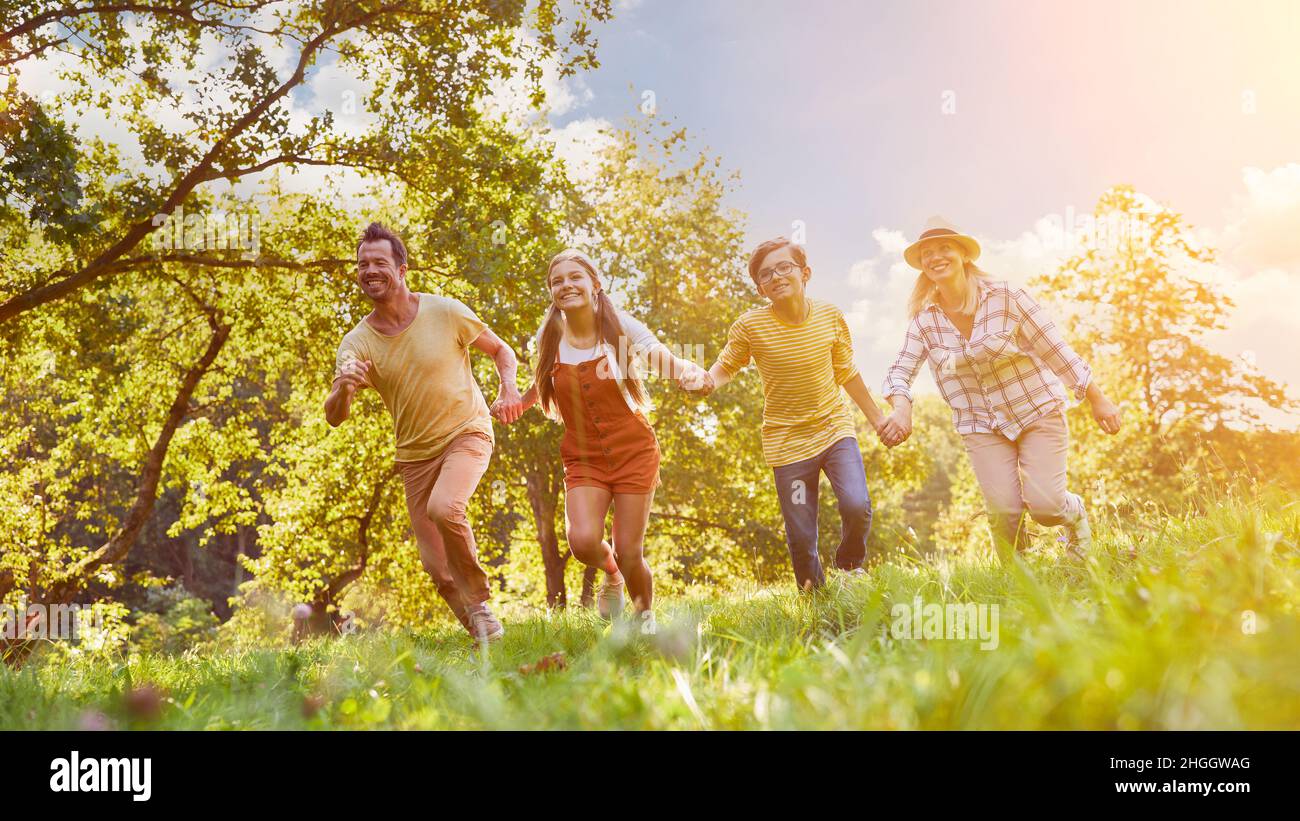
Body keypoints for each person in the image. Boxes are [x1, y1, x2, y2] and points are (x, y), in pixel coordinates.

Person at [324, 222, 524, 642]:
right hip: (414, 456)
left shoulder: (445, 310)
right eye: (362, 264)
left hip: (466, 431)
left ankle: (481, 605)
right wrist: (343, 388)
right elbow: (335, 416)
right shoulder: (356, 343)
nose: (369, 270)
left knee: (446, 507)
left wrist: (509, 390)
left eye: (379, 262)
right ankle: (486, 639)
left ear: (401, 269)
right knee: (436, 567)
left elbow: (501, 350)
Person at [879, 223, 1123, 559]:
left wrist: (1097, 398)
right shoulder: (925, 322)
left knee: (1046, 507)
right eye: (927, 254)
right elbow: (899, 371)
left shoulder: (1007, 297)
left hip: (1036, 410)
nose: (936, 257)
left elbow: (1054, 347)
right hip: (981, 425)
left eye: (944, 248)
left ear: (963, 254)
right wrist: (901, 409)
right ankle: (1019, 580)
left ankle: (1074, 514)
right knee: (1005, 514)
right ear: (922, 266)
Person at [503, 249, 704, 620]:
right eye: (557, 281)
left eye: (574, 277)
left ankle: (644, 617)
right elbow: (541, 380)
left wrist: (687, 374)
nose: (566, 285)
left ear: (595, 284)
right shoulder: (548, 334)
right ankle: (612, 577)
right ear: (551, 291)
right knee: (581, 542)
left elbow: (662, 357)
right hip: (583, 456)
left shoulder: (620, 326)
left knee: (629, 551)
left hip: (633, 450)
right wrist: (518, 402)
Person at [682, 237, 892, 590]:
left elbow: (847, 373)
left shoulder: (830, 316)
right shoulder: (751, 326)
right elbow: (726, 366)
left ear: (805, 273)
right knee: (800, 534)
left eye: (784, 267)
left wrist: (878, 420)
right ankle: (816, 602)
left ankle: (850, 567)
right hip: (789, 445)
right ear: (761, 288)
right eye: (766, 274)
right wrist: (706, 382)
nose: (776, 276)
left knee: (856, 503)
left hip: (834, 429)